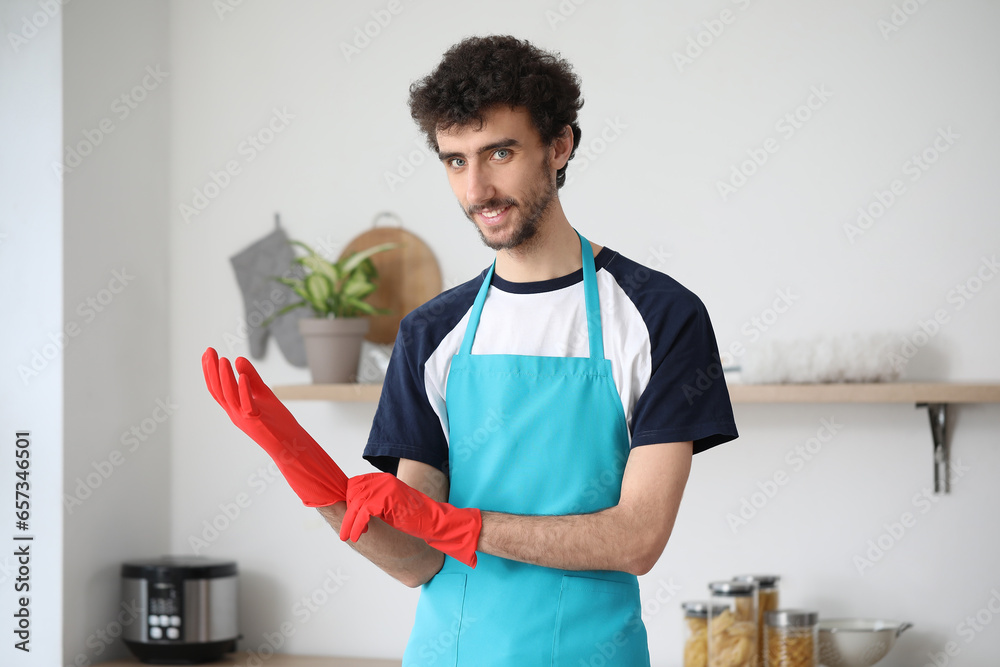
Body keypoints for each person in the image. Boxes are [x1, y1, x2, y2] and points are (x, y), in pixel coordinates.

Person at [203, 35, 738, 667]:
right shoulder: (431, 333)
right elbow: (416, 561)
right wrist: (304, 467)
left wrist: (459, 524)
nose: (478, 187)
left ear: (560, 146)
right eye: (455, 161)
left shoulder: (660, 315)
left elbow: (637, 539)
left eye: (500, 152)